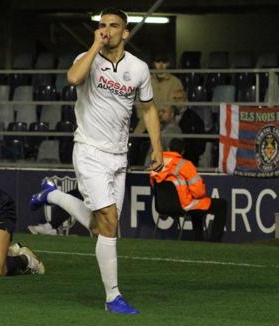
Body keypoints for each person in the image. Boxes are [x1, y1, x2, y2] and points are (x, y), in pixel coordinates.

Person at [30, 8, 163, 315]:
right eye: (102, 25)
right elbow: (73, 77)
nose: (107, 30)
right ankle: (113, 297)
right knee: (110, 223)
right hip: (89, 151)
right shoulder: (87, 59)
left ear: (125, 33)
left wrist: (158, 147)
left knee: (100, 227)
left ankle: (52, 195)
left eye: (113, 26)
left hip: (119, 156)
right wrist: (94, 46)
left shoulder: (138, 68)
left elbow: (149, 110)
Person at [150, 138, 227, 242]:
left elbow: (154, 185)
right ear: (182, 151)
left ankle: (198, 239)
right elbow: (199, 191)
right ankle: (214, 241)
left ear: (168, 148)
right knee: (221, 204)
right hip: (184, 205)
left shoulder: (157, 163)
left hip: (162, 205)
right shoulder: (185, 164)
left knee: (197, 205)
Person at [133, 52, 184, 134]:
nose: (160, 65)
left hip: (168, 126)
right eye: (158, 62)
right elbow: (139, 106)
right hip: (146, 124)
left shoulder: (176, 82)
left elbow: (179, 106)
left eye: (163, 62)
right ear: (153, 64)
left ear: (168, 64)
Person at [172, 89, 206, 166]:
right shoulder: (166, 116)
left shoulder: (195, 119)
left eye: (179, 98)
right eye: (174, 98)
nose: (176, 101)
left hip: (187, 160)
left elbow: (199, 146)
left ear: (186, 101)